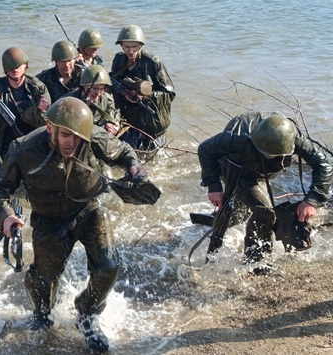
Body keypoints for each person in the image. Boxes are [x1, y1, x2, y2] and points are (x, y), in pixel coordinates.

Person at [0, 97, 146, 352]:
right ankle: (42, 317)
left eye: (76, 136)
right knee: (43, 280)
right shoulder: (23, 149)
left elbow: (123, 152)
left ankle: (87, 314)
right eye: (64, 135)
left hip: (88, 209)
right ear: (49, 127)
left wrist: (134, 167)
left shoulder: (91, 135)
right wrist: (5, 216)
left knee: (109, 265)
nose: (71, 142)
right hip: (48, 220)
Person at [198, 112, 332, 264]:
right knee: (265, 212)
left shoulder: (292, 138)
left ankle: (215, 220)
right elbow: (205, 149)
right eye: (267, 153)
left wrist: (312, 200)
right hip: (237, 170)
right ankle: (256, 260)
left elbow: (323, 165)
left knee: (242, 211)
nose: (270, 156)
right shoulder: (239, 138)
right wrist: (214, 187)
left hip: (260, 172)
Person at [0, 47, 50, 171]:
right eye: (11, 67)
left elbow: (48, 124)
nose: (15, 69)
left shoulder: (37, 87)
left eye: (18, 65)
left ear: (25, 65)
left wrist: (43, 110)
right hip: (3, 144)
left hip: (31, 141)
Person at [109, 24, 175, 151]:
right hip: (129, 121)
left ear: (141, 45)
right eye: (126, 47)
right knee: (125, 155)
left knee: (156, 158)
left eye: (134, 46)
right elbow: (114, 84)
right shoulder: (119, 60)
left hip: (153, 123)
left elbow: (169, 94)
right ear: (121, 46)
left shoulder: (153, 63)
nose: (130, 51)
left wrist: (144, 97)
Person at [65, 64, 120, 136]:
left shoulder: (106, 99)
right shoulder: (69, 101)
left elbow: (113, 113)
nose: (98, 93)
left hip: (100, 137)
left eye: (101, 89)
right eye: (94, 88)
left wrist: (114, 124)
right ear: (84, 86)